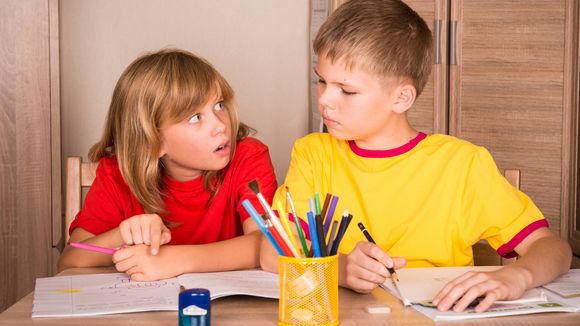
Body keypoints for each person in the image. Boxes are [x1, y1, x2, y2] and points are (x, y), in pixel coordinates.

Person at [260, 0, 571, 313]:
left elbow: (554, 248)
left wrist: (517, 275)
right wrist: (339, 268)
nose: (325, 99)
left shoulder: (461, 165)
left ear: (401, 97)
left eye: (347, 90)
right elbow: (270, 254)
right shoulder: (314, 154)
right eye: (322, 81)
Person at [58, 49, 277, 281]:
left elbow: (266, 244)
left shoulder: (247, 157)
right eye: (195, 117)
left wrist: (175, 260)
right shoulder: (116, 175)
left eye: (219, 105)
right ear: (153, 141)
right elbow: (70, 259)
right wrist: (122, 235)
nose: (221, 125)